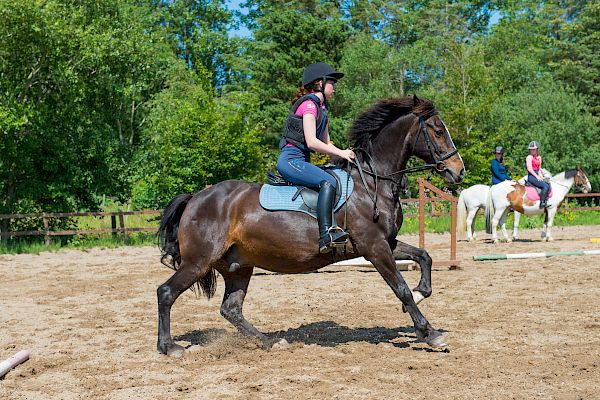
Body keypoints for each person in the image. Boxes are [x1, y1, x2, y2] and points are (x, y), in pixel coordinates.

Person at [276, 62, 355, 254]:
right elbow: (312, 142)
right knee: (328, 181)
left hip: (301, 161)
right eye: (332, 83)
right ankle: (326, 234)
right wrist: (341, 153)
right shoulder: (309, 105)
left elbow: (327, 145)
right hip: (291, 160)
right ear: (320, 83)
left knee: (334, 176)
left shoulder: (323, 110)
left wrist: (346, 154)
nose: (335, 88)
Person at [525, 141, 550, 208]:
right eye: (531, 149)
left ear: (537, 150)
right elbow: (529, 169)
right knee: (545, 186)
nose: (532, 151)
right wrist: (537, 177)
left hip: (537, 175)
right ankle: (542, 203)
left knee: (548, 183)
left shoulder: (539, 158)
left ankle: (546, 200)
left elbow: (539, 169)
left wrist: (541, 177)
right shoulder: (529, 157)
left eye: (534, 149)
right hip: (531, 176)